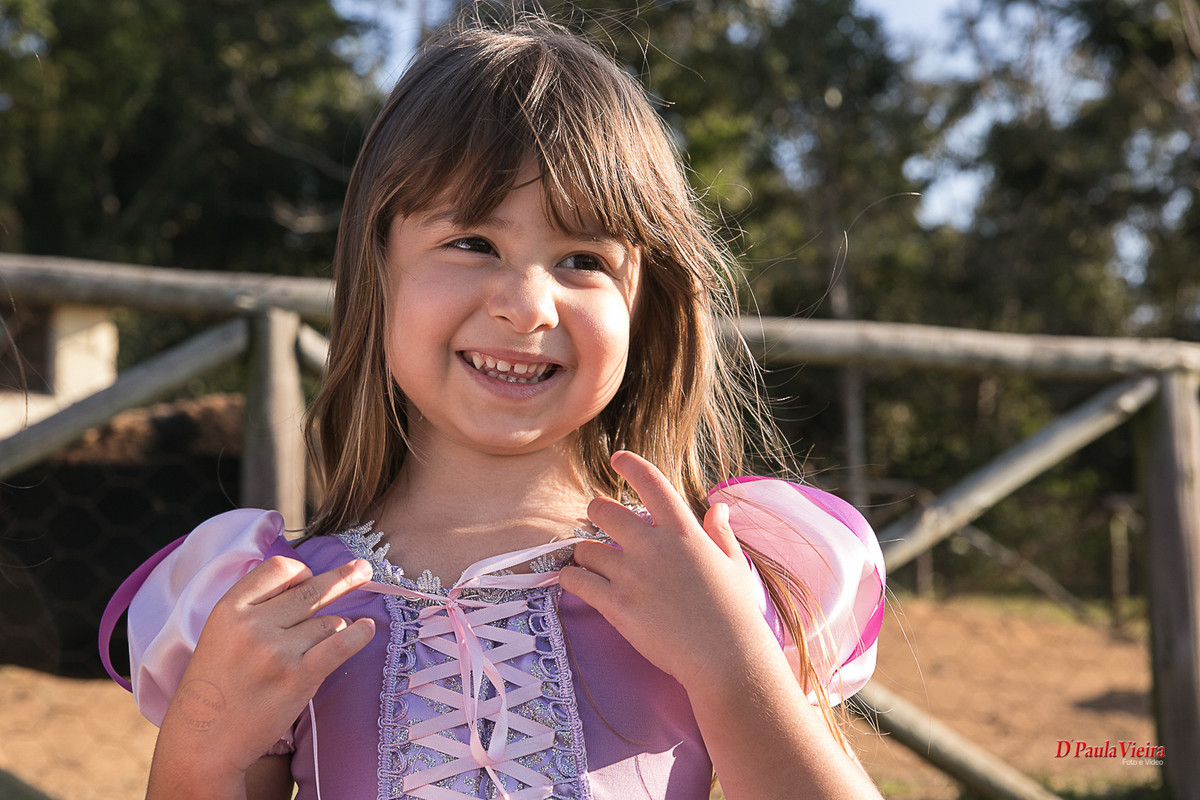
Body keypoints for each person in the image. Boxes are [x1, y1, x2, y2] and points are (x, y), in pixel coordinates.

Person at [103, 13, 886, 800]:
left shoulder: (707, 582)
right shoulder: (277, 604)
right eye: (473, 243)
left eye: (584, 259)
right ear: (377, 268)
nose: (526, 305)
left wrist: (734, 662)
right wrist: (201, 747)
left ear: (644, 305)